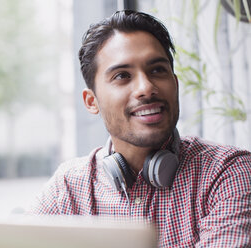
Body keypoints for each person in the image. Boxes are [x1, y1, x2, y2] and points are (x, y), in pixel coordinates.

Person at [30, 10, 251, 247]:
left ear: (175, 84)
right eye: (122, 75)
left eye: (157, 70)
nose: (146, 87)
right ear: (92, 102)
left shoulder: (228, 173)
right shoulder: (67, 188)